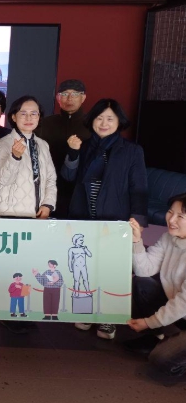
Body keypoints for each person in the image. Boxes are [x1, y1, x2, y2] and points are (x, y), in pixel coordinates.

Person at [62, 98, 148, 340]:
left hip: (116, 218)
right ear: (92, 120)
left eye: (110, 118)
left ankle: (108, 318)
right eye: (99, 118)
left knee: (112, 269)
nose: (104, 123)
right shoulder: (83, 145)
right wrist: (73, 152)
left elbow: (139, 187)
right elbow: (68, 177)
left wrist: (138, 219)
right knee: (86, 269)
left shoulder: (132, 150)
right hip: (84, 216)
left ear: (119, 122)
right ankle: (86, 312)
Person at [126, 197, 186, 385]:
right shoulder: (168, 238)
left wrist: (148, 322)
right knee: (142, 283)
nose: (171, 219)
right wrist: (137, 241)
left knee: (161, 359)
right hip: (179, 311)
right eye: (170, 212)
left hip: (182, 307)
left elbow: (183, 303)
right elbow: (144, 270)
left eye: (180, 216)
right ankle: (158, 336)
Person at [0, 96, 57, 219]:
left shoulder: (42, 144)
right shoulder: (3, 144)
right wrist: (14, 157)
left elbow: (50, 178)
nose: (29, 118)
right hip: (10, 214)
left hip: (38, 213)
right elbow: (2, 180)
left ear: (39, 116)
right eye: (23, 113)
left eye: (34, 113)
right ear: (13, 117)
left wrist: (48, 204)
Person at [35, 79, 91, 218]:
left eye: (75, 94)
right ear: (58, 98)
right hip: (49, 189)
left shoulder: (93, 124)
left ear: (83, 97)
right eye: (64, 94)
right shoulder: (45, 123)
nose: (69, 98)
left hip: (81, 190)